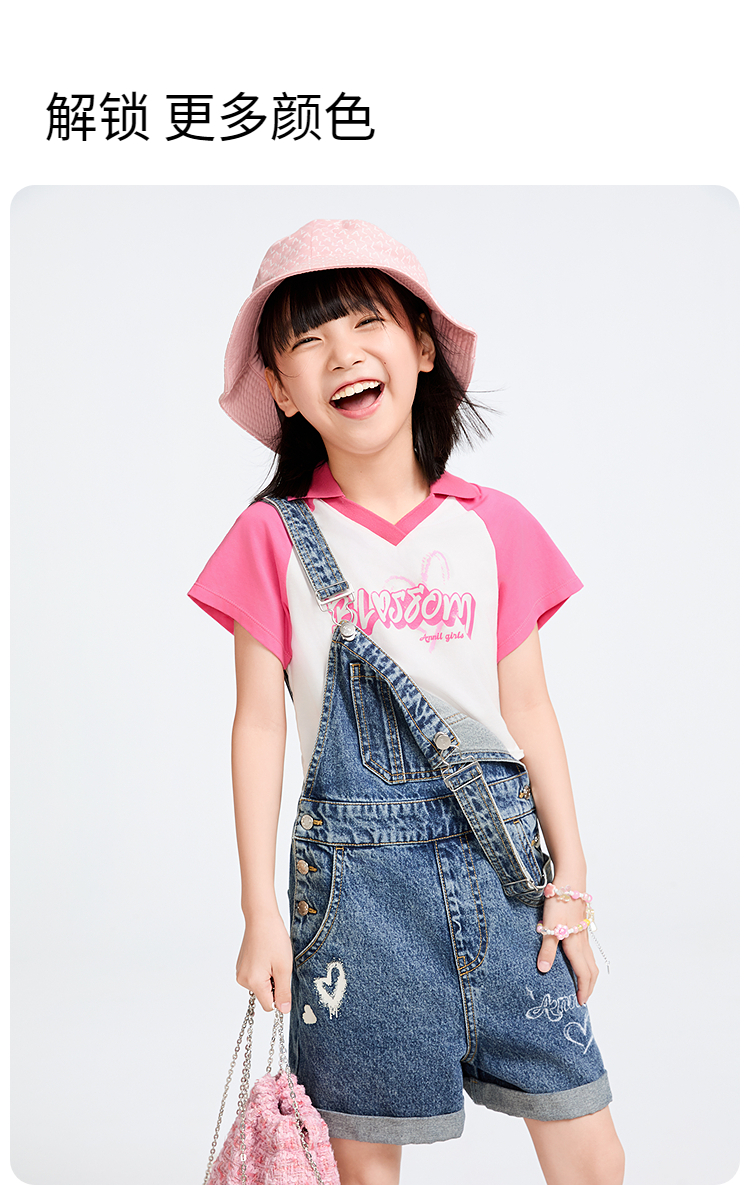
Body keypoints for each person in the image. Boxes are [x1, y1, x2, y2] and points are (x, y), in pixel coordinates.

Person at [189, 219, 625, 1185]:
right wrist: (260, 911)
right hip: (357, 905)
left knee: (593, 1153)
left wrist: (572, 884)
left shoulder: (495, 527)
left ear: (422, 348)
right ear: (283, 389)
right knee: (364, 1166)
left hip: (506, 879)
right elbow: (257, 725)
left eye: (367, 323)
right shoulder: (272, 538)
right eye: (308, 341)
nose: (343, 353)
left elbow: (531, 710)